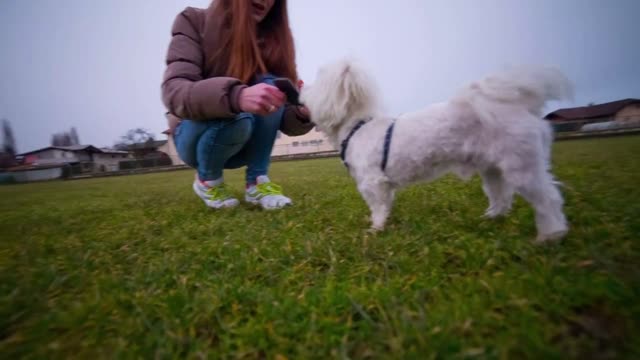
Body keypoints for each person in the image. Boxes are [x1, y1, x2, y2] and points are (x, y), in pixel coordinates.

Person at [162, 0, 313, 210]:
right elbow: (175, 91)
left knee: (271, 87)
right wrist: (236, 96)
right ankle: (208, 180)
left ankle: (257, 181)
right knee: (239, 119)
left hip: (245, 140)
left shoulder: (275, 40)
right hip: (194, 138)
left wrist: (302, 112)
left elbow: (279, 117)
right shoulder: (193, 21)